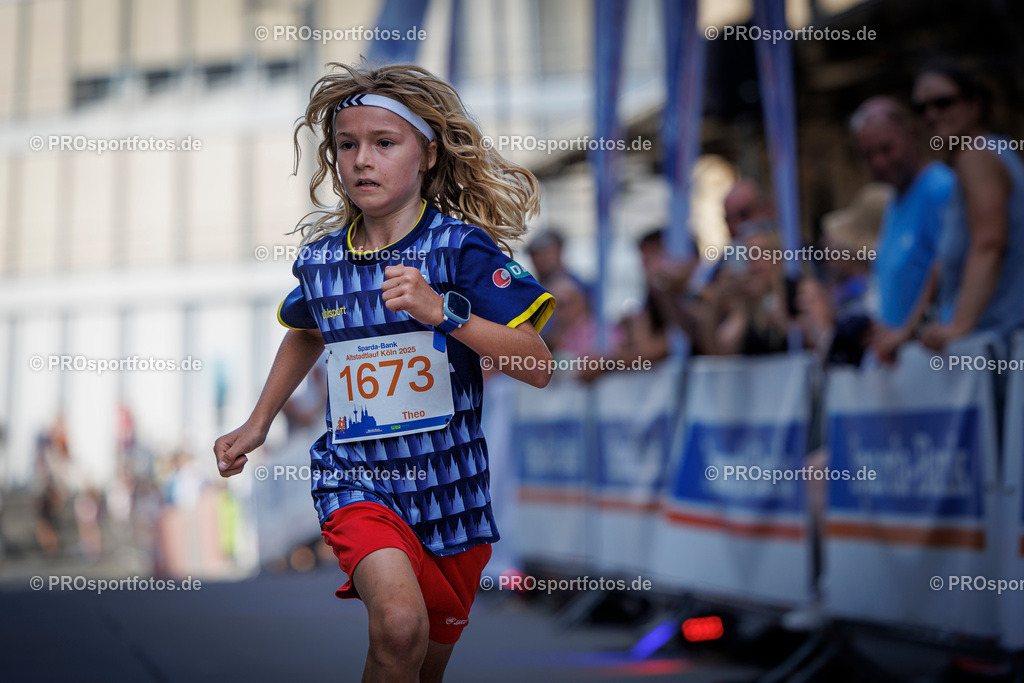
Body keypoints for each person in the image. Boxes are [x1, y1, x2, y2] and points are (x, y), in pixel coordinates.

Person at [214, 61, 555, 682]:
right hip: (358, 480)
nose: (361, 161)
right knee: (399, 627)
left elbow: (535, 365)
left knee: (420, 663)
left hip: (451, 490)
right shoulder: (321, 261)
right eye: (347, 146)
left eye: (383, 143)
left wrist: (442, 313)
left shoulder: (460, 248)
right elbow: (306, 331)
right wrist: (257, 422)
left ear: (426, 154)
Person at [876, 63, 1024, 359]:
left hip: (997, 347)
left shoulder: (976, 154)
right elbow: (941, 265)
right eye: (921, 108)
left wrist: (959, 326)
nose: (932, 115)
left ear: (975, 105)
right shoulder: (976, 158)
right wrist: (907, 331)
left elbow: (989, 243)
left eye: (943, 103)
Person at [849, 97, 955, 332]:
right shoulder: (895, 199)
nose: (879, 162)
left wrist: (908, 331)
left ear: (911, 135)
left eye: (887, 149)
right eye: (868, 155)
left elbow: (948, 265)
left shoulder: (939, 188)